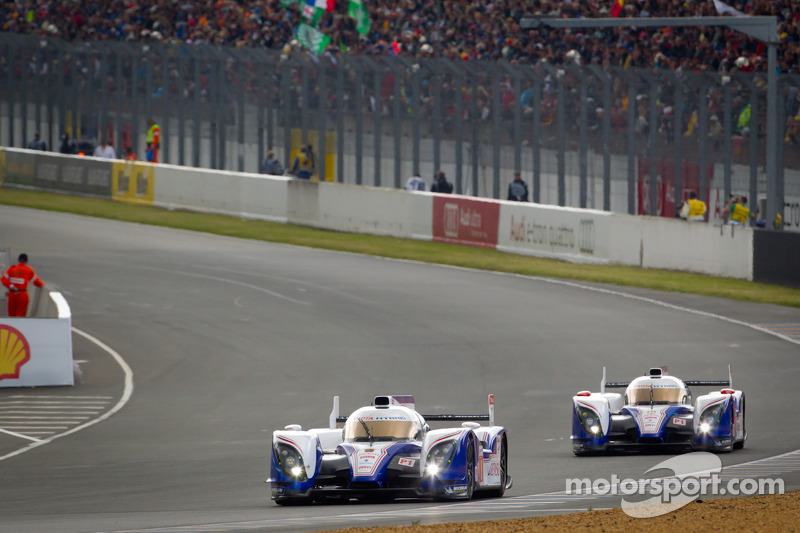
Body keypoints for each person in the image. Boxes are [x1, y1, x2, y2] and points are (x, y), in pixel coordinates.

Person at [1, 253, 45, 317]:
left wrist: (11, 286)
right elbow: (36, 282)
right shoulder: (28, 270)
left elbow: (3, 279)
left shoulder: (12, 269)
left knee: (11, 315)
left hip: (12, 294)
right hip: (22, 294)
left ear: (18, 260)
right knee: (21, 315)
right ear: (26, 261)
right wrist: (42, 284)